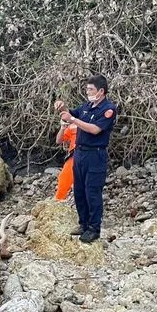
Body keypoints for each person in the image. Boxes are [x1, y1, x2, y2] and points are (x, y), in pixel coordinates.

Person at [55, 74, 117, 243]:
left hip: (95, 154)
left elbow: (95, 129)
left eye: (91, 89)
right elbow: (70, 113)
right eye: (87, 89)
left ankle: (94, 228)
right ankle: (83, 223)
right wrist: (62, 107)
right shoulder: (86, 107)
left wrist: (73, 119)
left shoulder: (108, 109)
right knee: (79, 191)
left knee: (92, 192)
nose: (88, 92)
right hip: (79, 153)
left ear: (101, 91)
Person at [54, 120, 78, 201]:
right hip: (75, 155)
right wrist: (63, 128)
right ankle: (58, 202)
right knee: (64, 178)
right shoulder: (73, 125)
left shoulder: (95, 121)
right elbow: (59, 140)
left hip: (90, 155)